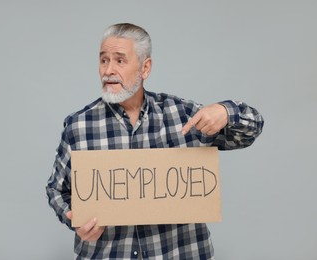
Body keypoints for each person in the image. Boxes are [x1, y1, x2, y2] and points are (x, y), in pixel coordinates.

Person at [46, 23, 264, 260]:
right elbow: (57, 189)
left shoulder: (184, 116)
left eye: (119, 61)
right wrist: (75, 219)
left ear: (145, 67)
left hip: (178, 252)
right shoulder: (79, 126)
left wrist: (226, 111)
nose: (108, 70)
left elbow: (250, 130)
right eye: (103, 60)